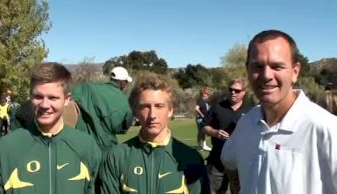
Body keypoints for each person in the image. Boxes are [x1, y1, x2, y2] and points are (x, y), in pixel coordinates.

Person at [221, 29, 337, 194]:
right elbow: (229, 162)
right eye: (258, 66)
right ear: (247, 70)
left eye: (277, 66)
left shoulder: (327, 129)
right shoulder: (246, 124)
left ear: (295, 72)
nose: (266, 75)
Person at [0, 62, 102, 194]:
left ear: (66, 99)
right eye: (38, 97)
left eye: (53, 98)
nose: (45, 105)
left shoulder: (86, 146)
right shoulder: (6, 148)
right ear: (30, 97)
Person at [100, 73, 209, 194]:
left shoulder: (191, 158)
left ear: (170, 110)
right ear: (135, 111)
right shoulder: (116, 157)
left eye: (159, 106)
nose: (152, 115)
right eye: (145, 107)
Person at [72, 66, 134, 155]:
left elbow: (67, 98)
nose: (126, 85)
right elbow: (123, 128)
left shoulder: (88, 88)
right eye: (126, 82)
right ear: (122, 82)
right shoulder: (126, 102)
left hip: (81, 145)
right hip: (106, 149)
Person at [203, 78, 251, 194]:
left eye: (237, 91)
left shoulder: (251, 110)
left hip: (241, 163)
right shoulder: (217, 108)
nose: (233, 93)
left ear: (244, 92)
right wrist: (215, 132)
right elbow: (205, 128)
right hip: (217, 162)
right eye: (231, 90)